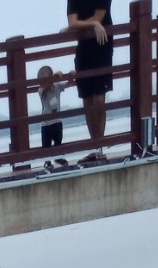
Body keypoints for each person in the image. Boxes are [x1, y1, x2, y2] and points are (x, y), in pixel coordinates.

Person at [64, 0, 113, 162]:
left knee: (99, 99)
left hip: (102, 45)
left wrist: (84, 24)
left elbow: (98, 17)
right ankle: (95, 147)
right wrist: (93, 24)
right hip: (83, 49)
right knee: (87, 101)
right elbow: (73, 22)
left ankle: (100, 147)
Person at [37, 65, 73, 166]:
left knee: (58, 141)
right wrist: (55, 78)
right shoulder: (40, 90)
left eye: (45, 75)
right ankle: (47, 161)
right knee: (46, 145)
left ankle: (58, 158)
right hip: (46, 123)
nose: (43, 79)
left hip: (57, 121)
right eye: (41, 77)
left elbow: (69, 84)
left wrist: (71, 75)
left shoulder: (57, 86)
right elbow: (45, 91)